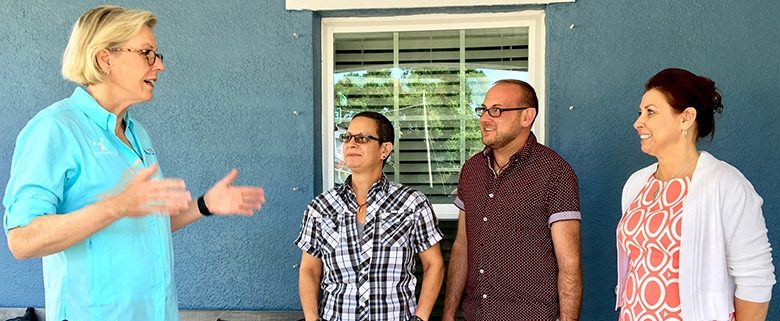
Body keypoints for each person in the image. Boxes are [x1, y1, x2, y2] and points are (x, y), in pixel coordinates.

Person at [2, 5, 266, 321]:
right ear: (105, 59)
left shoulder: (136, 132)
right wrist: (118, 205)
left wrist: (204, 205)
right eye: (147, 53)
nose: (159, 66)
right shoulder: (55, 128)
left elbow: (143, 224)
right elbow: (22, 239)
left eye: (157, 55)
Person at [616, 68, 775, 321]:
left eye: (651, 112)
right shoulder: (637, 184)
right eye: (640, 112)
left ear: (686, 118)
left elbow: (755, 277)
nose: (638, 122)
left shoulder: (725, 184)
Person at [443, 79, 583, 321]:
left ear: (526, 117)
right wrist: (447, 314)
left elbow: (569, 263)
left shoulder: (555, 172)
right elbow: (461, 247)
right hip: (475, 315)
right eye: (483, 110)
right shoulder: (472, 170)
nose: (485, 119)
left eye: (496, 110)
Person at [296, 111, 445, 321]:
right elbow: (309, 269)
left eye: (362, 138)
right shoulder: (321, 206)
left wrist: (420, 318)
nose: (351, 144)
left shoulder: (412, 203)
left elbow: (434, 265)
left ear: (384, 149)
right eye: (347, 137)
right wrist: (312, 319)